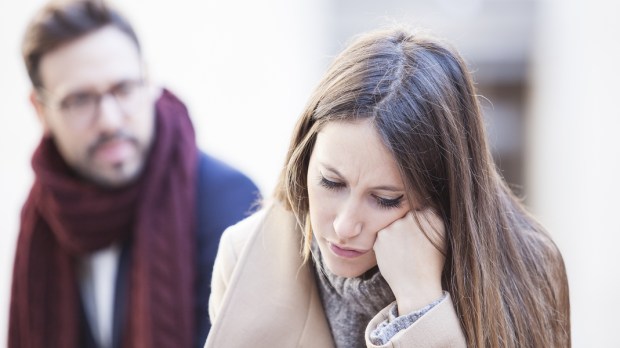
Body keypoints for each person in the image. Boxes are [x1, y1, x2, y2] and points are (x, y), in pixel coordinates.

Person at [205, 27, 570, 348]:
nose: (345, 226)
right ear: (305, 159)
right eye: (331, 182)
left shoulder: (527, 269)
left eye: (384, 199)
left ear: (443, 195)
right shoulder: (245, 259)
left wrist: (421, 306)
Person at [8, 1, 260, 347]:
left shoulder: (229, 201)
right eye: (80, 100)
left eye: (124, 88)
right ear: (41, 110)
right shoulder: (45, 211)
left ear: (148, 80)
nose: (110, 120)